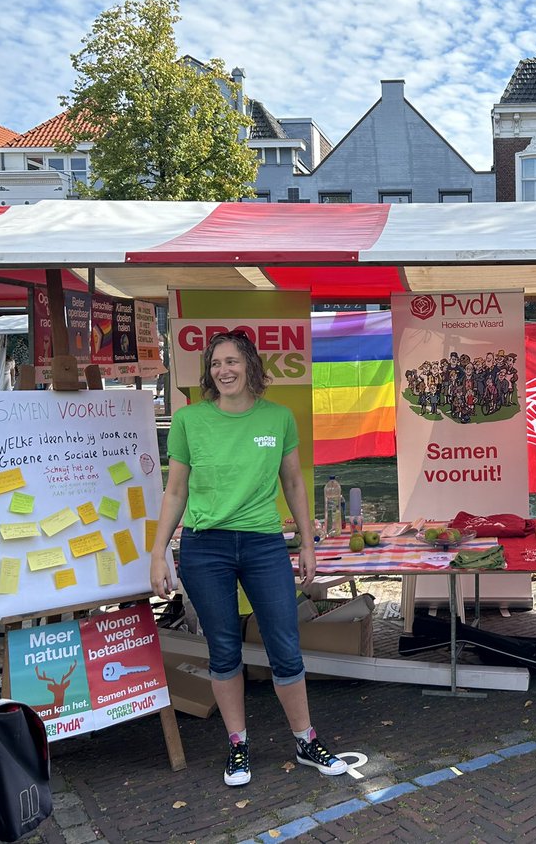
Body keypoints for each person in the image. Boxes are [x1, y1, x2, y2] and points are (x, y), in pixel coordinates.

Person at [149, 331, 348, 787]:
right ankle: (238, 744)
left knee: (284, 645)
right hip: (205, 547)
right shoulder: (189, 420)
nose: (225, 370)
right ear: (208, 371)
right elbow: (175, 490)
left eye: (233, 361)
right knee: (223, 651)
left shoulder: (278, 418)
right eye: (216, 363)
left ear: (251, 365)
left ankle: (305, 739)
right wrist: (158, 552)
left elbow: (294, 483)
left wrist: (307, 541)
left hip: (263, 544)